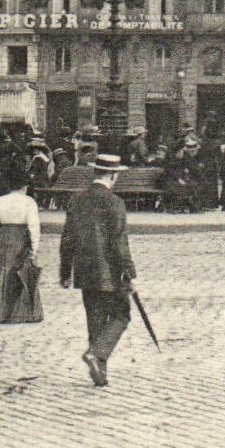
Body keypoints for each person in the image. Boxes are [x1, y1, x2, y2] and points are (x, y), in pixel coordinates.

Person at [59, 154, 138, 387]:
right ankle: (97, 355)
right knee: (121, 315)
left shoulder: (77, 200)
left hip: (85, 270)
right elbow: (119, 241)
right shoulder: (115, 202)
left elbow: (67, 239)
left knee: (95, 321)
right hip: (110, 272)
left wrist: (65, 272)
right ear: (113, 175)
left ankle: (99, 372)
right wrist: (129, 273)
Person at [0, 164, 44, 324]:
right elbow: (34, 226)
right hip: (20, 237)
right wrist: (34, 248)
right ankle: (20, 312)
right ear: (25, 186)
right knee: (19, 273)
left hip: (3, 236)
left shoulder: (0, 200)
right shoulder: (29, 202)